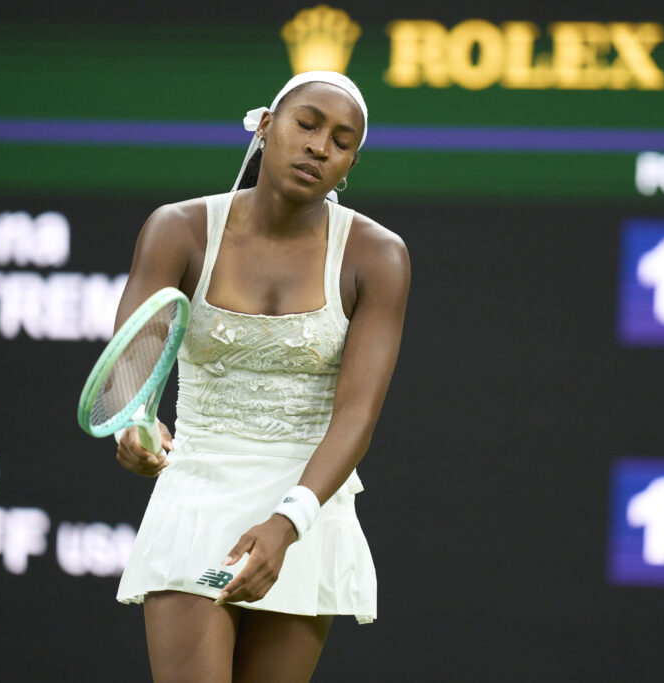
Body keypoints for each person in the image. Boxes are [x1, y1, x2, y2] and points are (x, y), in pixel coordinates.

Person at [111, 71, 410, 683]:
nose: (320, 147)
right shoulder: (178, 228)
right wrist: (134, 424)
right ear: (267, 127)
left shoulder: (378, 256)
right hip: (197, 494)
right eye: (307, 125)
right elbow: (130, 366)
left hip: (307, 505)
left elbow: (357, 415)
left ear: (350, 163)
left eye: (342, 141)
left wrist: (288, 522)